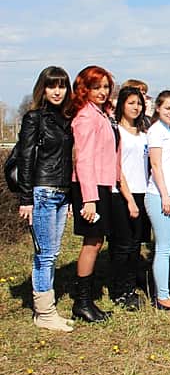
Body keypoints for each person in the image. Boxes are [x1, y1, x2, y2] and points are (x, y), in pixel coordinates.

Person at [17, 67, 75, 331]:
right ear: (43, 88)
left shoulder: (66, 118)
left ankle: (47, 309)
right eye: (52, 86)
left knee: (53, 253)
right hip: (42, 192)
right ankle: (44, 312)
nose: (57, 91)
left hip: (62, 193)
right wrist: (26, 198)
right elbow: (26, 159)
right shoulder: (34, 119)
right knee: (45, 254)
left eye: (62, 86)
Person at [69, 66, 118, 323]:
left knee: (97, 241)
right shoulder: (86, 117)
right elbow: (84, 160)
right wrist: (89, 199)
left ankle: (86, 299)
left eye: (105, 86)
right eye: (96, 87)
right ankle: (82, 302)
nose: (102, 92)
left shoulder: (102, 113)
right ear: (84, 89)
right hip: (90, 186)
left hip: (102, 184)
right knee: (91, 242)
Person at [144, 91, 170, 310]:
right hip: (161, 196)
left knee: (168, 246)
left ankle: (166, 291)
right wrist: (165, 195)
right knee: (163, 248)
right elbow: (156, 166)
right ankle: (162, 296)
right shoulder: (156, 132)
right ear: (158, 108)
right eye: (167, 108)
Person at [109, 86, 150, 311]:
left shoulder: (144, 133)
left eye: (139, 103)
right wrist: (129, 200)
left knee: (136, 244)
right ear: (122, 105)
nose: (136, 107)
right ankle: (119, 290)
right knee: (122, 244)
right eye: (131, 103)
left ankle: (131, 283)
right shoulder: (117, 133)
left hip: (142, 191)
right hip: (122, 194)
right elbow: (118, 169)